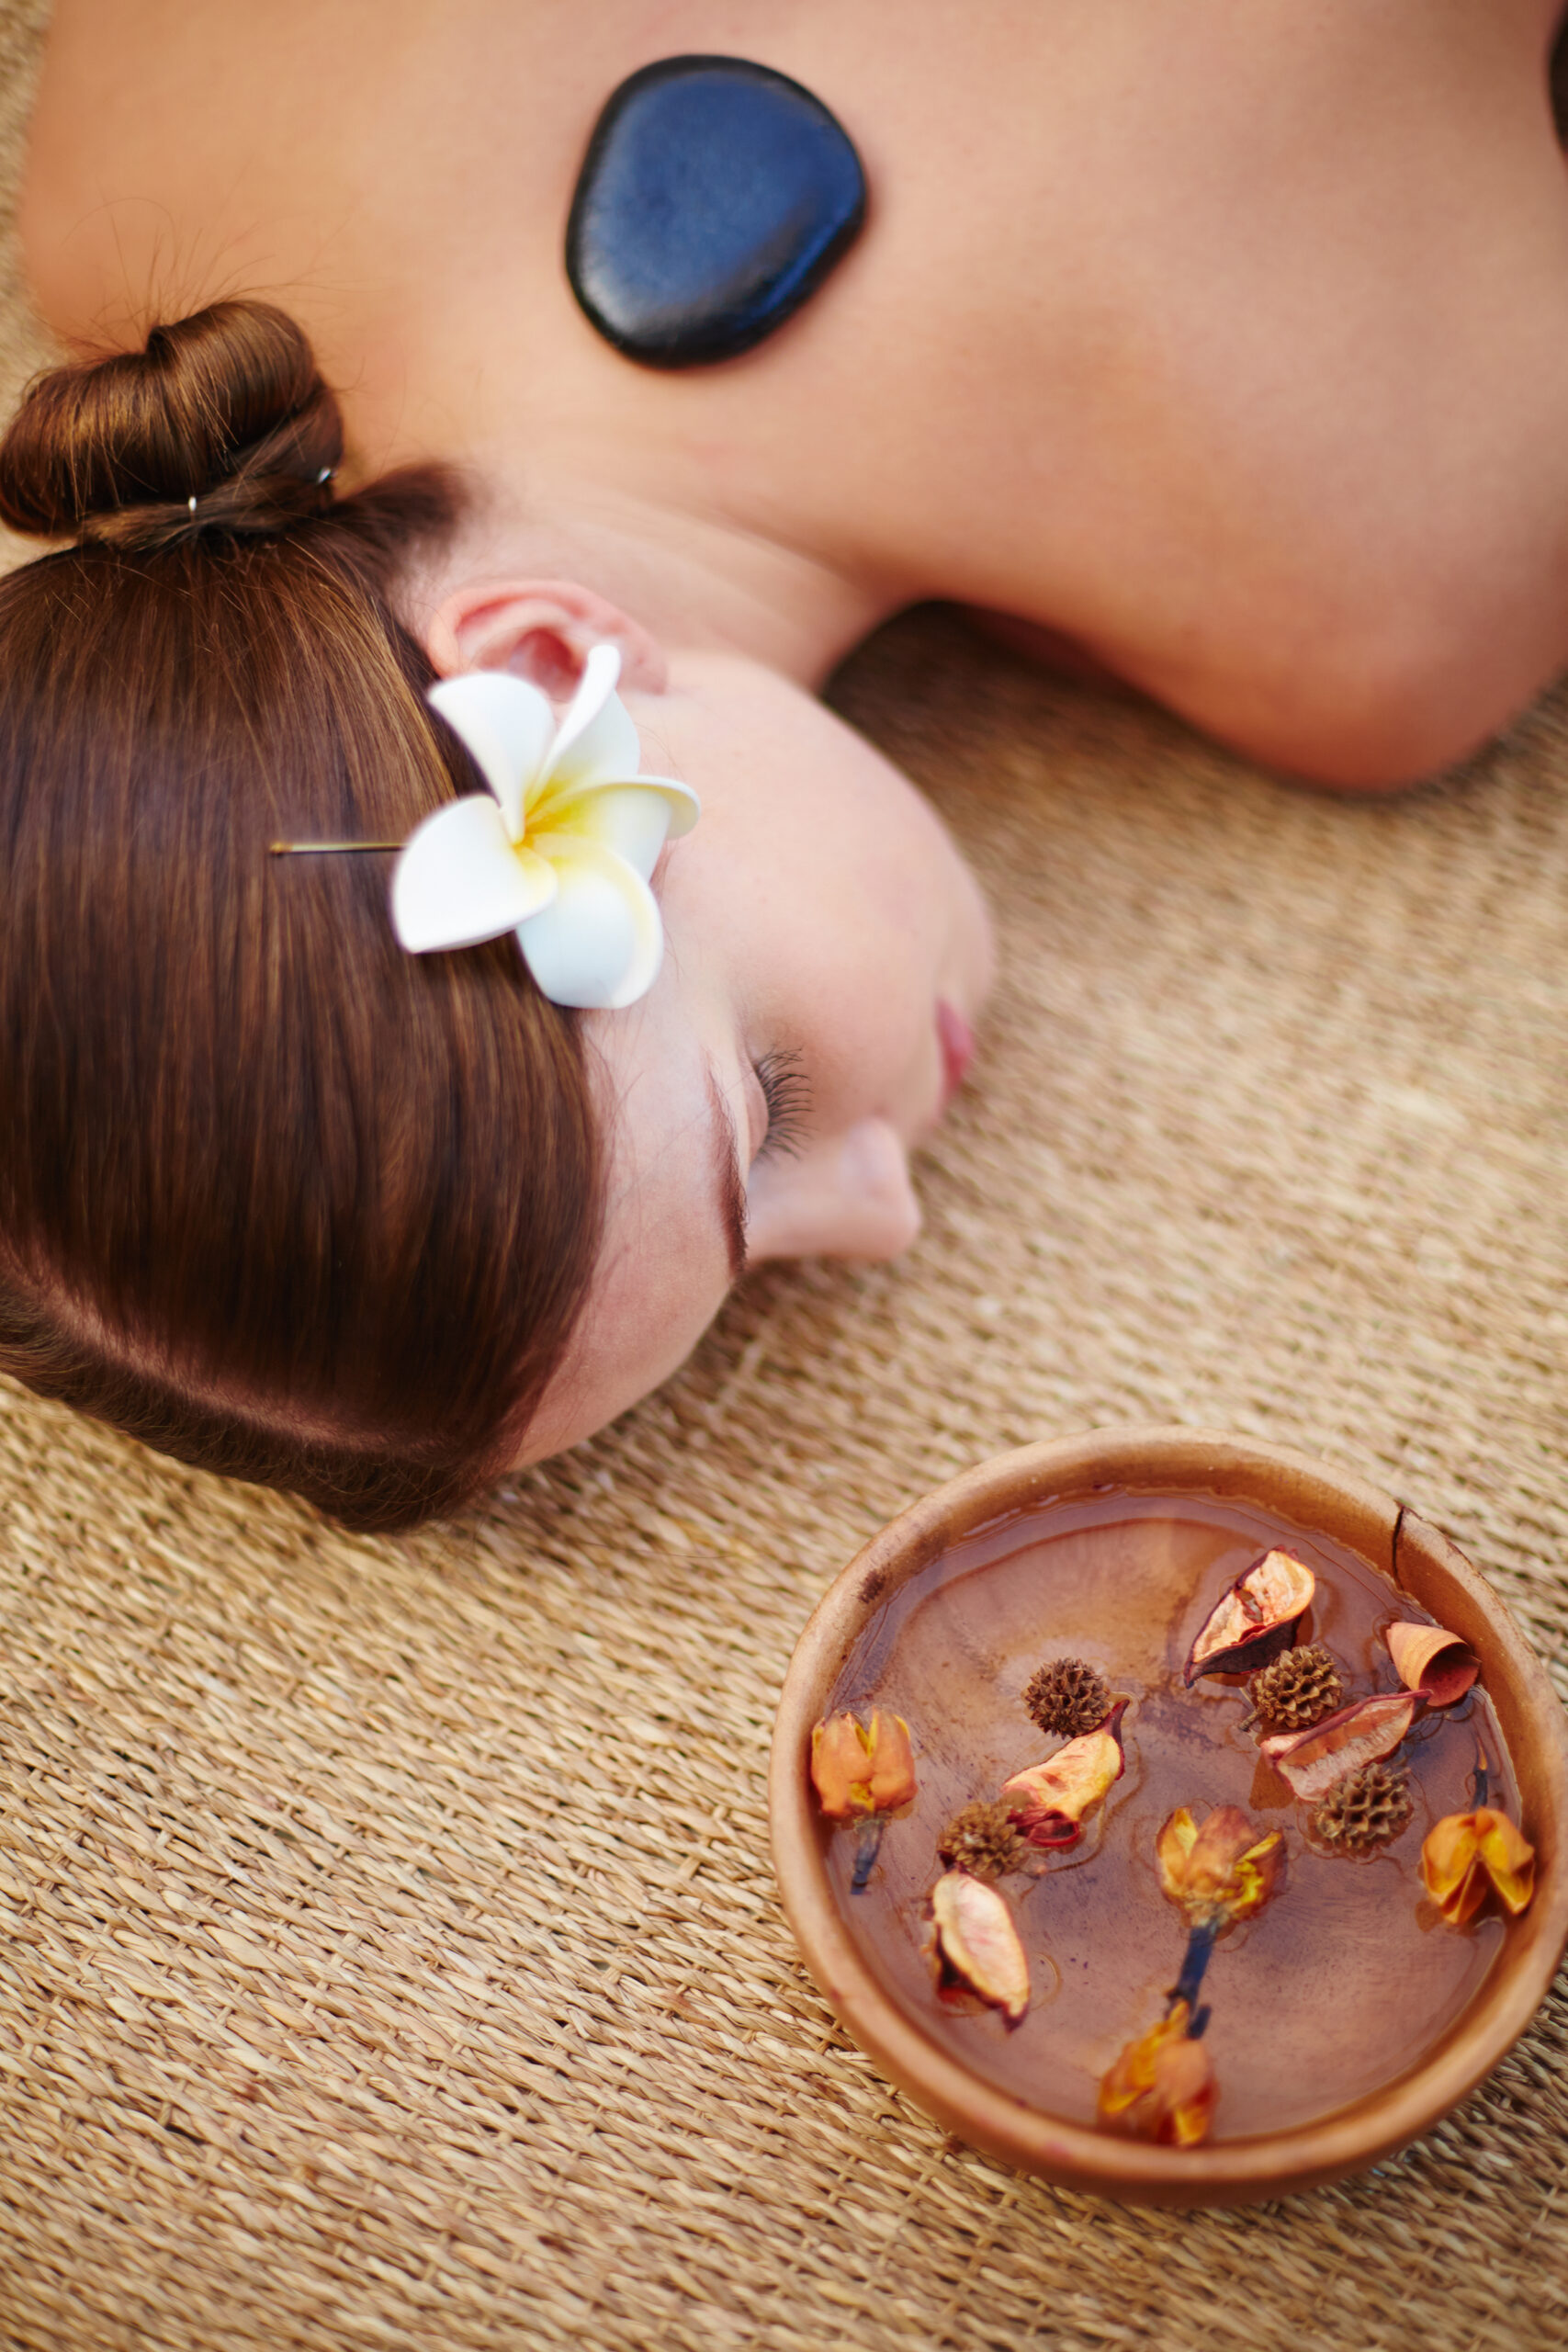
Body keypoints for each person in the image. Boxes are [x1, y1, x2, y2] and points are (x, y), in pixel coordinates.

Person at [5, 0, 1568, 1529]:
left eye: (767, 1111)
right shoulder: (123, 166)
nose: (885, 1217)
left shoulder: (1378, 575)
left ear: (556, 667)